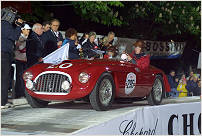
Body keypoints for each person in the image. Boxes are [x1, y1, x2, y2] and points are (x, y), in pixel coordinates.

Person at [1, 16, 24, 107]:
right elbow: (14, 36)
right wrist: (18, 25)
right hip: (3, 54)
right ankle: (2, 102)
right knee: (3, 79)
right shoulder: (4, 24)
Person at [14, 24, 31, 98]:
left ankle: (23, 92)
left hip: (24, 59)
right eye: (27, 30)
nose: (28, 31)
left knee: (24, 77)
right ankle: (19, 93)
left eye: (29, 30)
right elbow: (20, 48)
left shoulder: (25, 37)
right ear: (22, 30)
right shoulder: (20, 37)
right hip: (19, 59)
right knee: (20, 77)